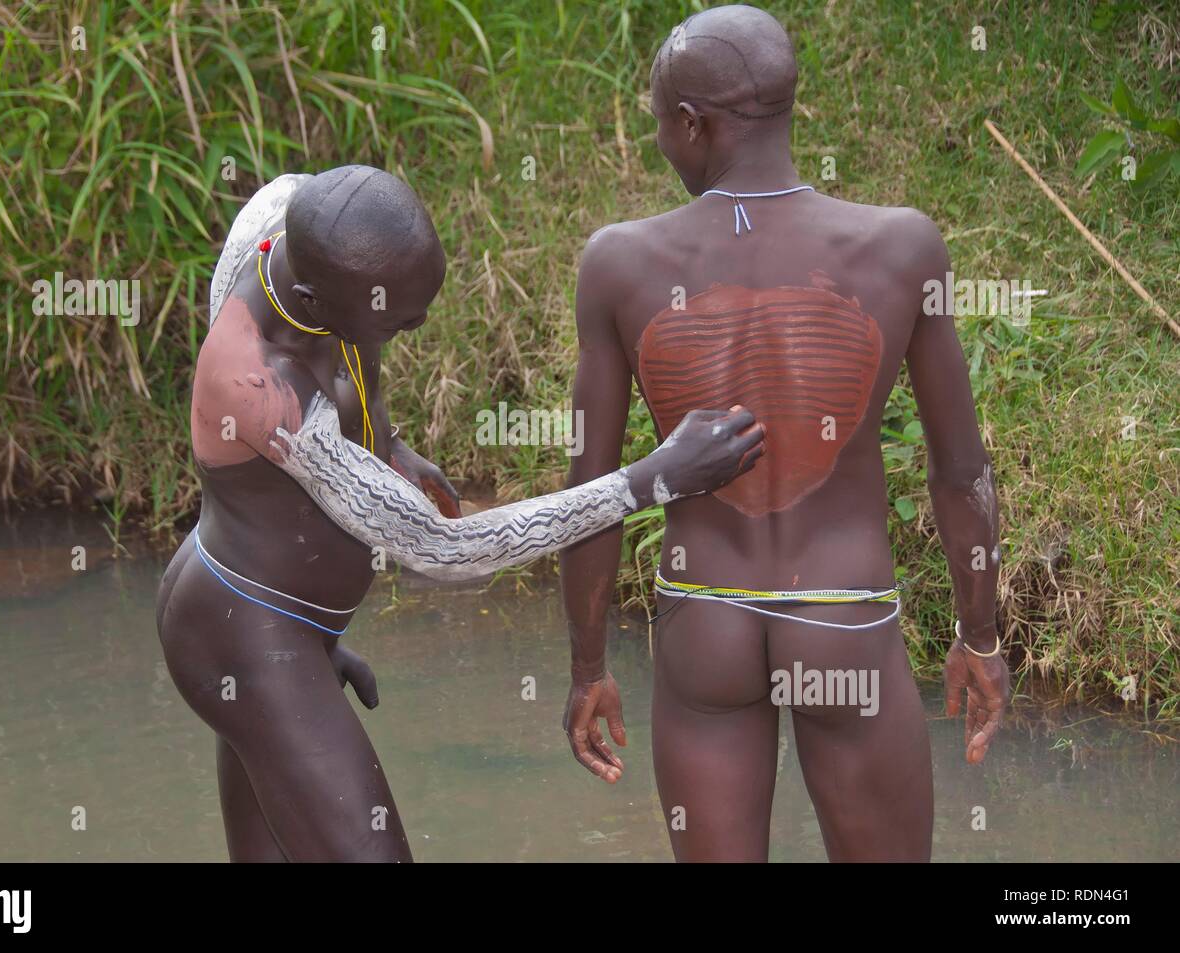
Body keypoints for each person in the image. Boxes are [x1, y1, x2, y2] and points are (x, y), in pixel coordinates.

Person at [156, 165, 767, 861]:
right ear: (312, 297)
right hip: (245, 631)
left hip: (264, 621)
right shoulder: (262, 387)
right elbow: (445, 549)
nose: (417, 325)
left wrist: (388, 447)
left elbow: (334, 391)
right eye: (399, 319)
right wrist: (651, 478)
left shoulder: (291, 213)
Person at [559, 4, 1010, 862]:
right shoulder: (902, 246)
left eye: (661, 126)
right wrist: (979, 634)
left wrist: (587, 669)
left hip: (704, 624)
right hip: (844, 615)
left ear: (693, 123)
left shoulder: (618, 263)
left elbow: (593, 494)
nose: (661, 146)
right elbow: (963, 474)